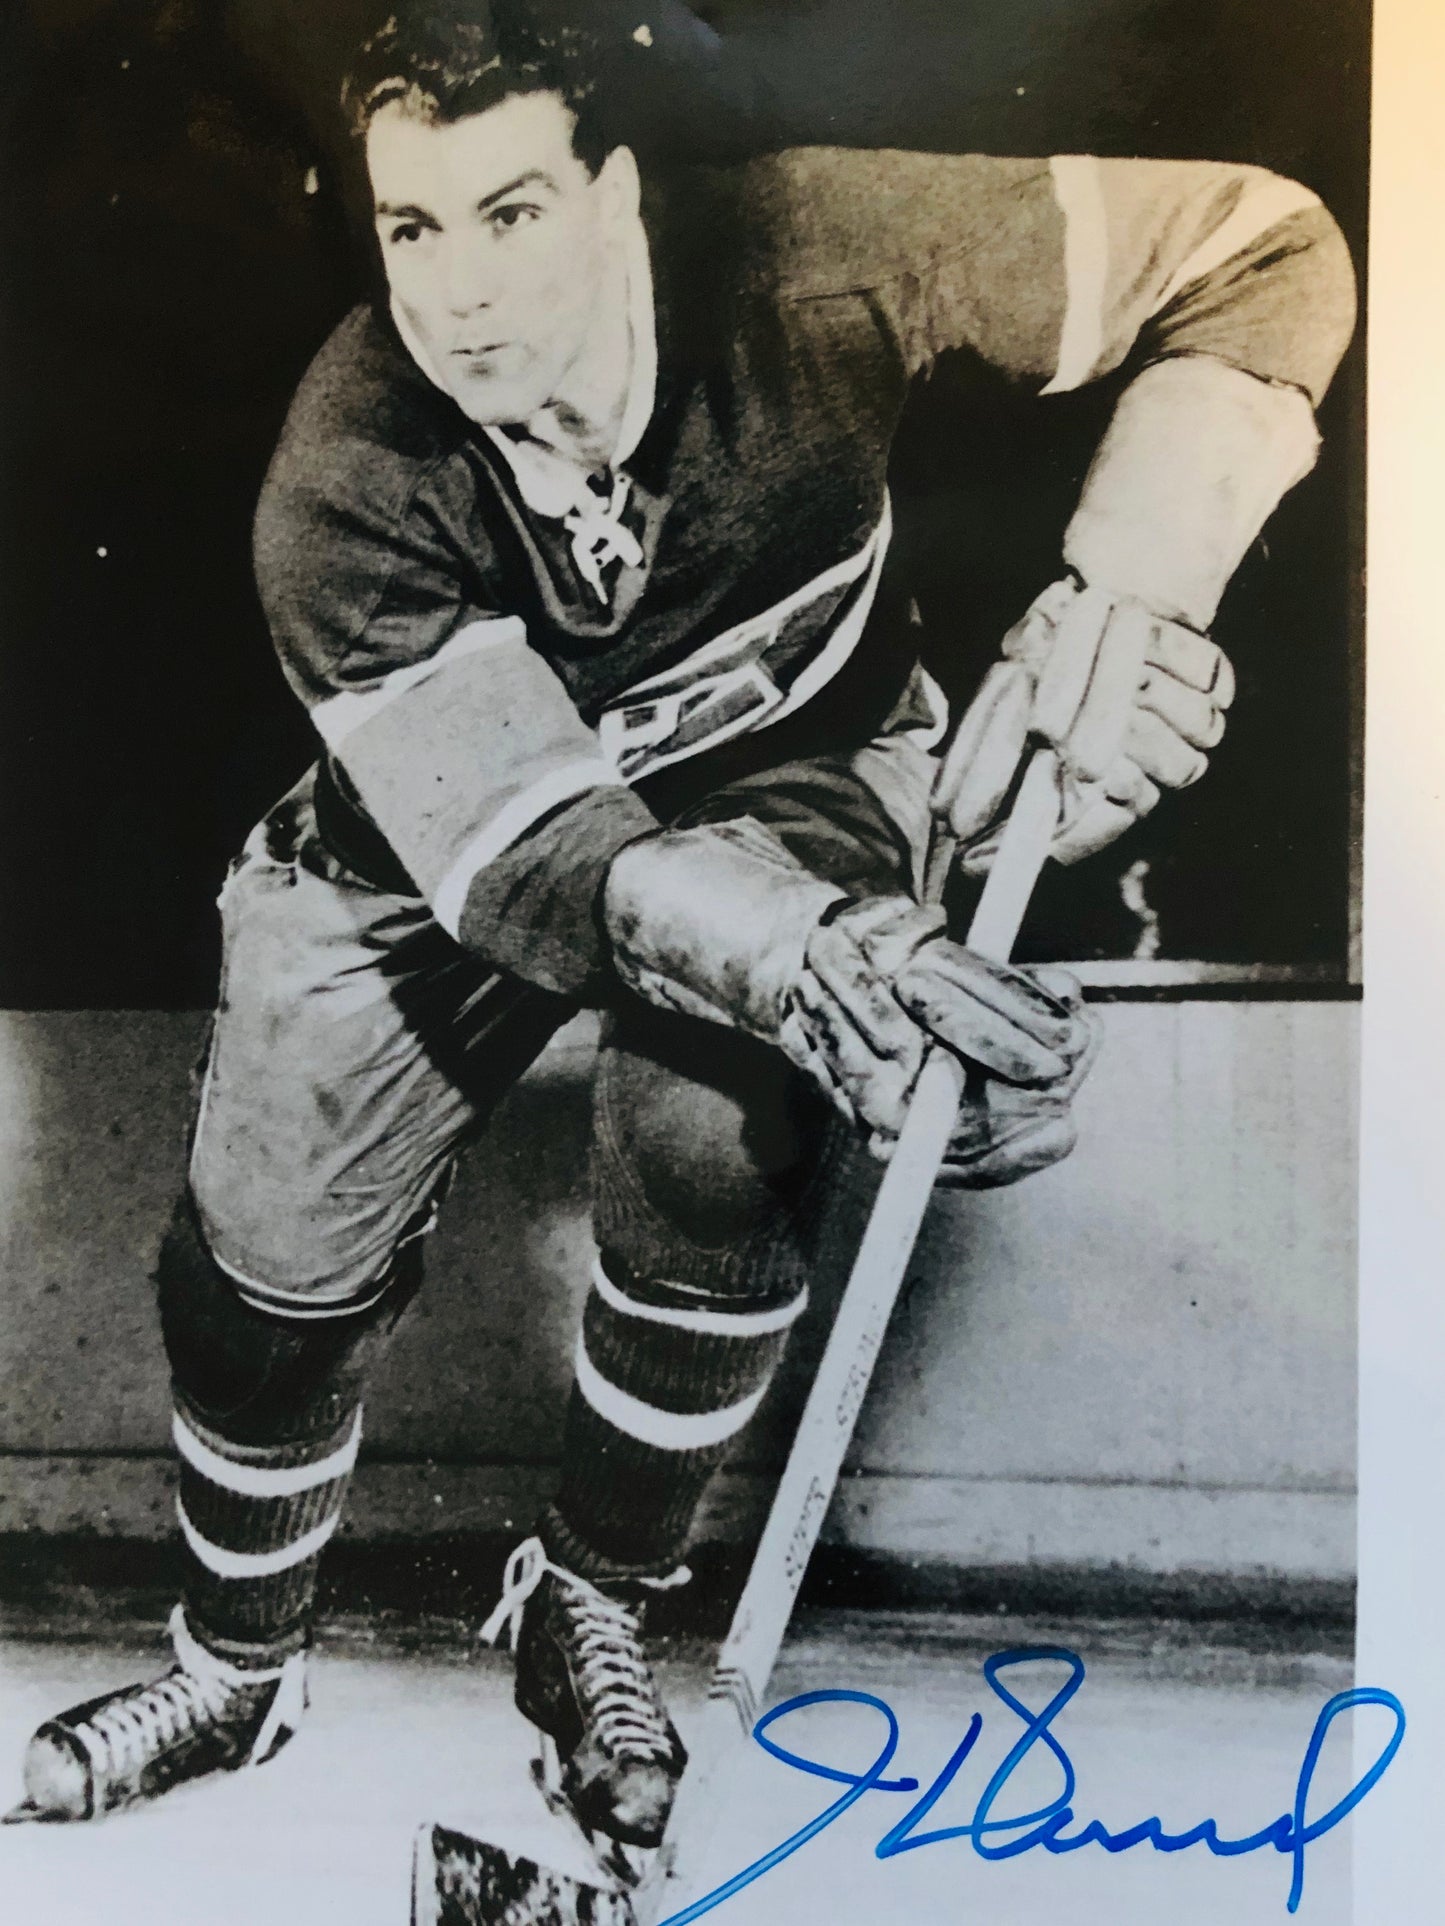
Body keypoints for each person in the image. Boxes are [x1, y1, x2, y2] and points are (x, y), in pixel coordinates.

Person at [9, 0, 1353, 1863]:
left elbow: (1262, 247)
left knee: (720, 1128)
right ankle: (236, 1669)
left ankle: (590, 1606)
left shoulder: (824, 244)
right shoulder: (345, 472)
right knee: (256, 1274)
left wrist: (1128, 590)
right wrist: (831, 960)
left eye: (511, 214)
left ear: (618, 190)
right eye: (413, 232)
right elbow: (541, 863)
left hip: (789, 769)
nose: (461, 292)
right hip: (437, 848)